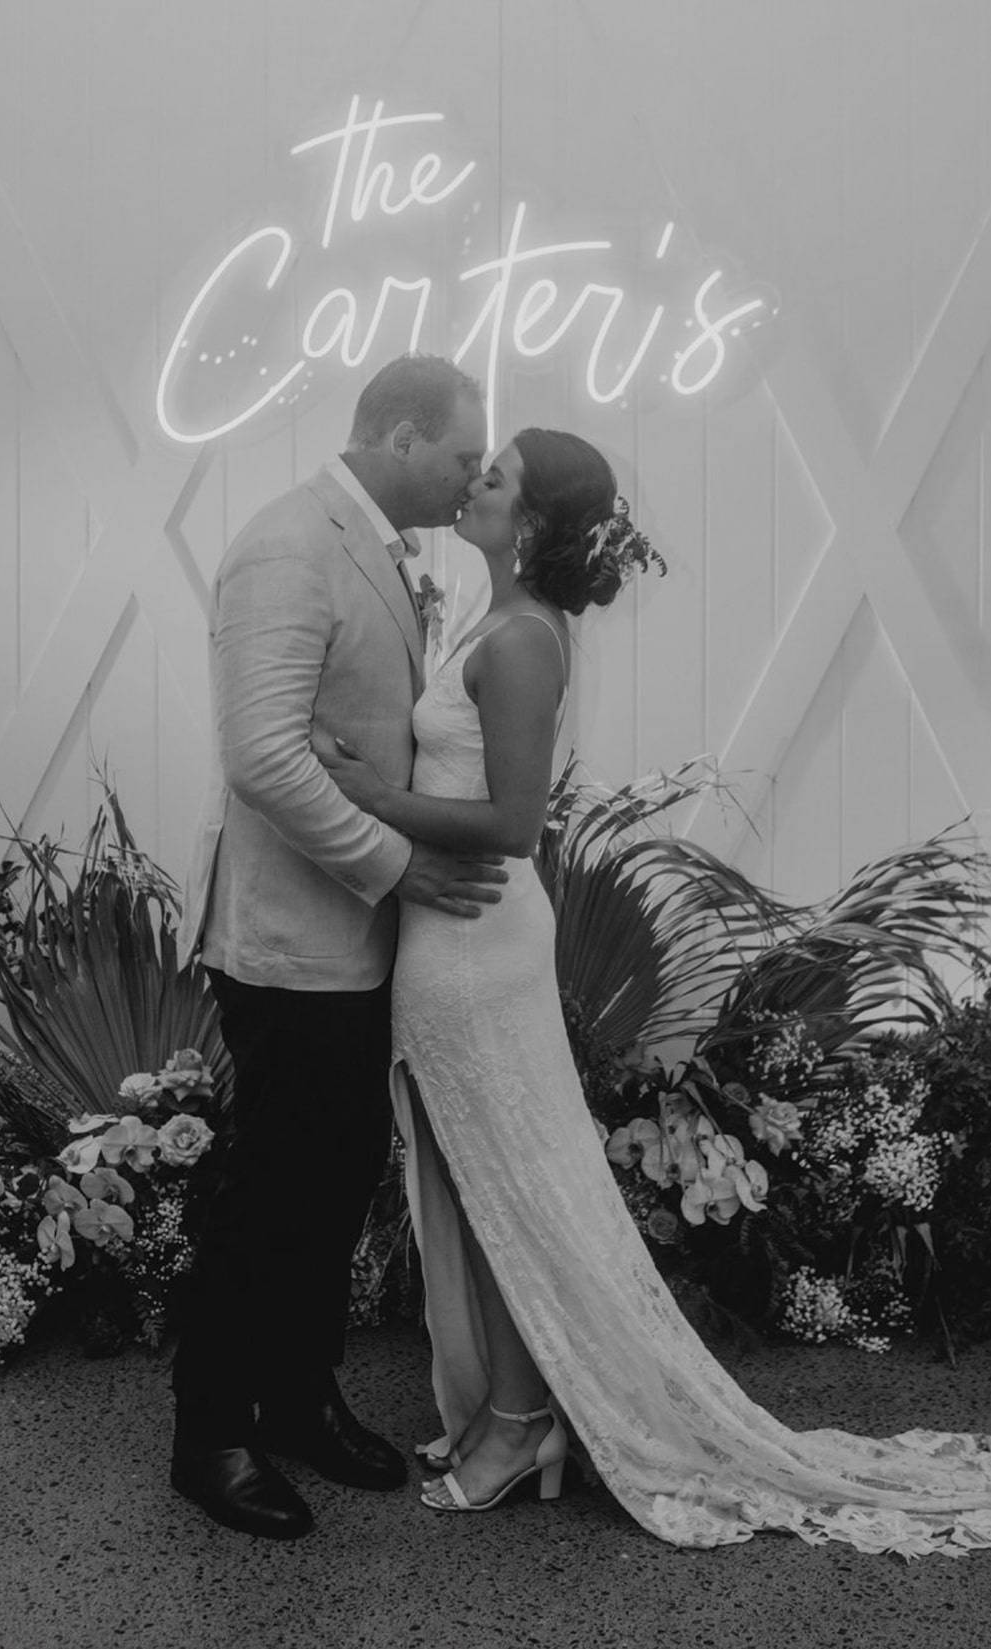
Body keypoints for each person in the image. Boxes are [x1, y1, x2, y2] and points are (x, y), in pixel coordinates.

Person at [319, 426, 991, 1555]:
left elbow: (512, 826)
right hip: (449, 941)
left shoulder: (525, 641)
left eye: (495, 477)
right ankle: (502, 1407)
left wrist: (362, 797)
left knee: (508, 1195)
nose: (472, 480)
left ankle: (523, 1422)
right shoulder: (493, 619)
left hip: (477, 949)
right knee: (481, 1189)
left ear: (529, 521)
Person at [170, 354, 505, 1542]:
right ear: (403, 435)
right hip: (286, 938)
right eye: (463, 455)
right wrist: (395, 865)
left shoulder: (379, 545)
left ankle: (299, 1398)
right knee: (268, 1187)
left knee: (329, 1177)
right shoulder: (285, 543)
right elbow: (263, 758)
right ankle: (209, 1429)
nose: (472, 477)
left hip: (356, 939)